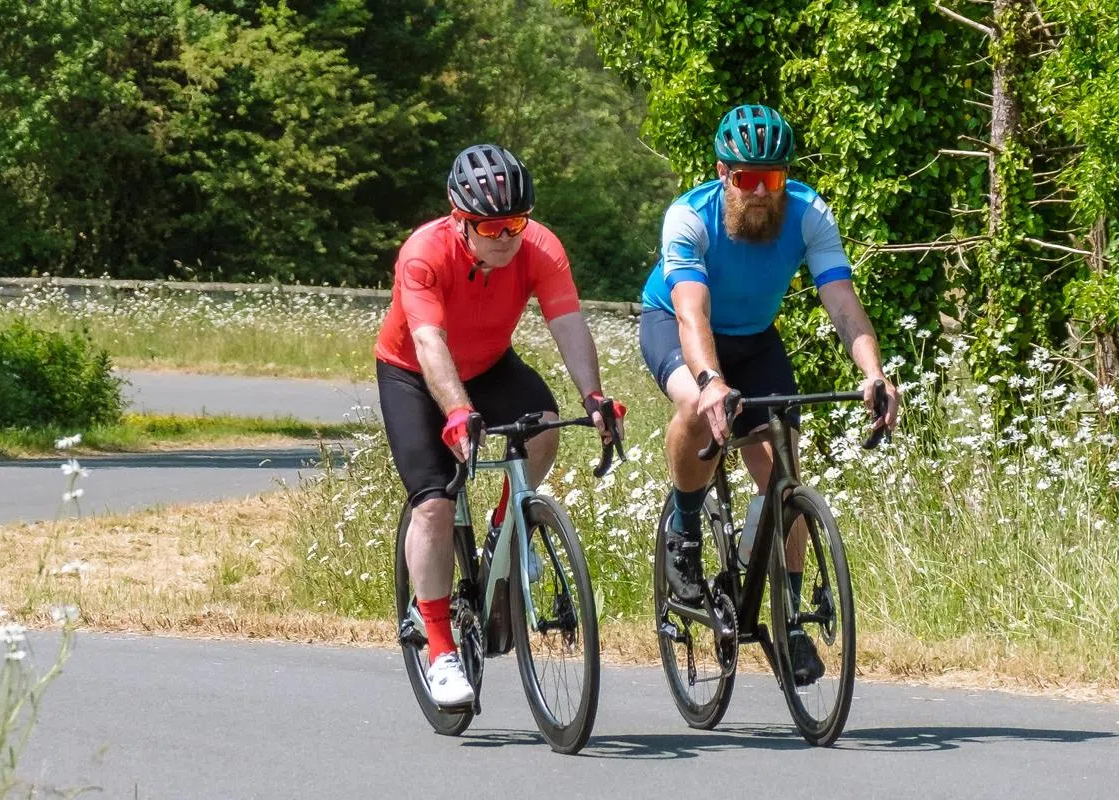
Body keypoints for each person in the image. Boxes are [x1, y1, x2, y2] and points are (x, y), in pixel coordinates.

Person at [636, 104, 900, 684]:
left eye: (772, 179)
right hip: (675, 326)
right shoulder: (689, 216)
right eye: (746, 179)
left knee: (784, 479)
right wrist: (709, 382)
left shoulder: (809, 215)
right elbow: (690, 310)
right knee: (694, 408)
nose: (759, 192)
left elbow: (843, 306)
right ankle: (683, 529)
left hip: (754, 339)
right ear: (722, 173)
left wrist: (874, 373)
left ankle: (790, 619)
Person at [376, 143, 624, 708]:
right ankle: (439, 648)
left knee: (544, 427)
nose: (505, 237)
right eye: (489, 227)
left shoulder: (540, 247)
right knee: (434, 504)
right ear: (459, 220)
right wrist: (457, 412)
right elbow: (427, 341)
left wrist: (593, 396)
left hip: (489, 364)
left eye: (515, 222)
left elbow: (567, 321)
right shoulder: (423, 253)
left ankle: (504, 530)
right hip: (415, 374)